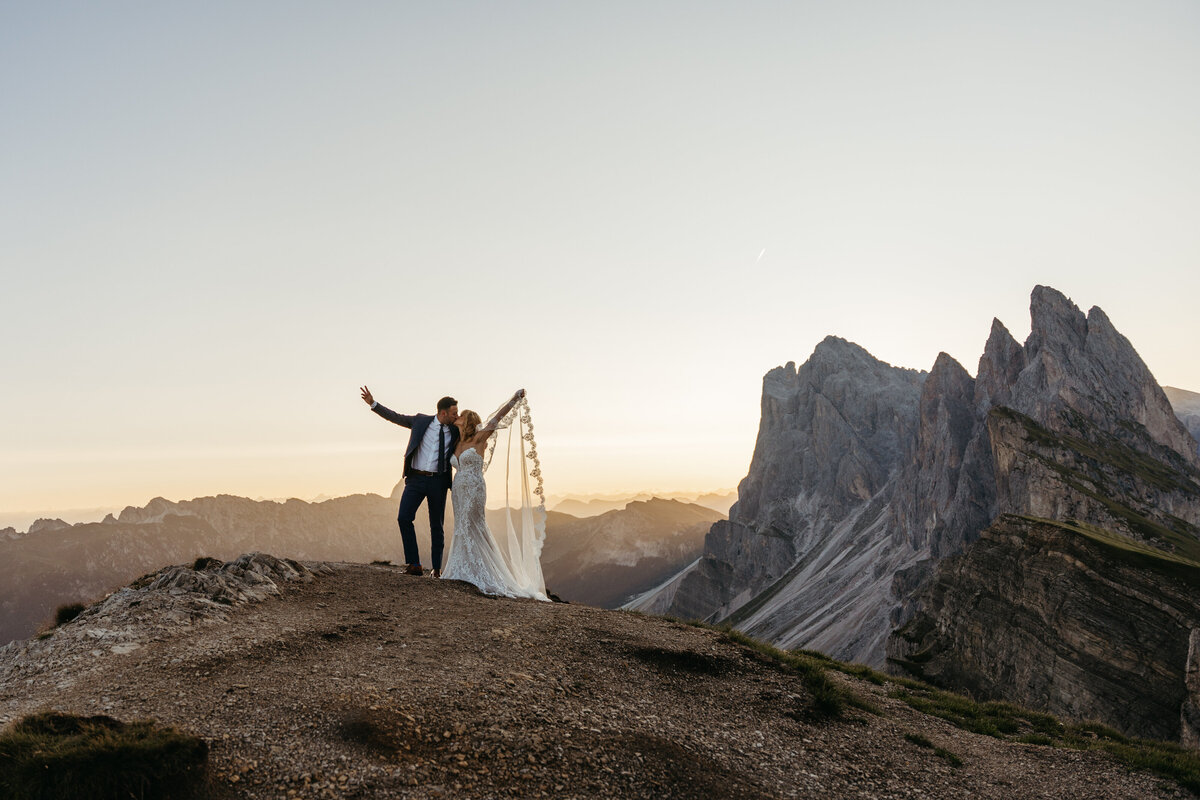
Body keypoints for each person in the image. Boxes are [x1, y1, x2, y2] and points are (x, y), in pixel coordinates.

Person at [441, 389, 549, 600]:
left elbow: (497, 419)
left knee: (473, 524)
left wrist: (514, 399)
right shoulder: (456, 443)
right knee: (461, 525)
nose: (457, 417)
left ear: (468, 420)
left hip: (474, 489)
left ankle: (484, 572)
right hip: (458, 491)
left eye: (461, 415)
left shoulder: (479, 439)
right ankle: (463, 567)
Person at [360, 386, 458, 577]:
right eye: (454, 413)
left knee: (436, 526)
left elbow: (476, 430)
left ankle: (437, 569)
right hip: (415, 479)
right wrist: (373, 403)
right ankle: (414, 565)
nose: (457, 416)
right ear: (443, 413)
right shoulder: (420, 421)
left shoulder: (455, 430)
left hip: (438, 482)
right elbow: (396, 417)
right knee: (404, 518)